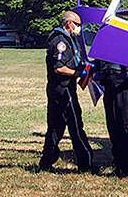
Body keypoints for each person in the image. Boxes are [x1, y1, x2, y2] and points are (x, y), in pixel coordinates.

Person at [38, 10, 94, 173]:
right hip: (63, 89)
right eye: (77, 24)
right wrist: (79, 74)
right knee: (76, 125)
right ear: (69, 23)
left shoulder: (69, 40)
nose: (79, 28)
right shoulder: (60, 41)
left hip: (58, 90)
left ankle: (46, 162)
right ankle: (86, 164)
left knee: (56, 127)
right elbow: (60, 68)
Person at [99, 60, 128, 178]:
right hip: (110, 88)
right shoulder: (107, 47)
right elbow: (99, 64)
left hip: (126, 89)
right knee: (113, 127)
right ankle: (118, 165)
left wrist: (126, 74)